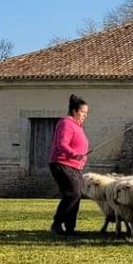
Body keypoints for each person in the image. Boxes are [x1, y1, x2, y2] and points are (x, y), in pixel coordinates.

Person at [48, 94, 89, 236]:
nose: (85, 115)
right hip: (62, 163)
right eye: (82, 112)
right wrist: (74, 154)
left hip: (75, 166)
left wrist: (80, 159)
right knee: (72, 194)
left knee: (77, 195)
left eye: (86, 113)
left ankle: (70, 228)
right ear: (74, 111)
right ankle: (57, 224)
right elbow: (62, 144)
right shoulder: (66, 123)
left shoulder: (78, 126)